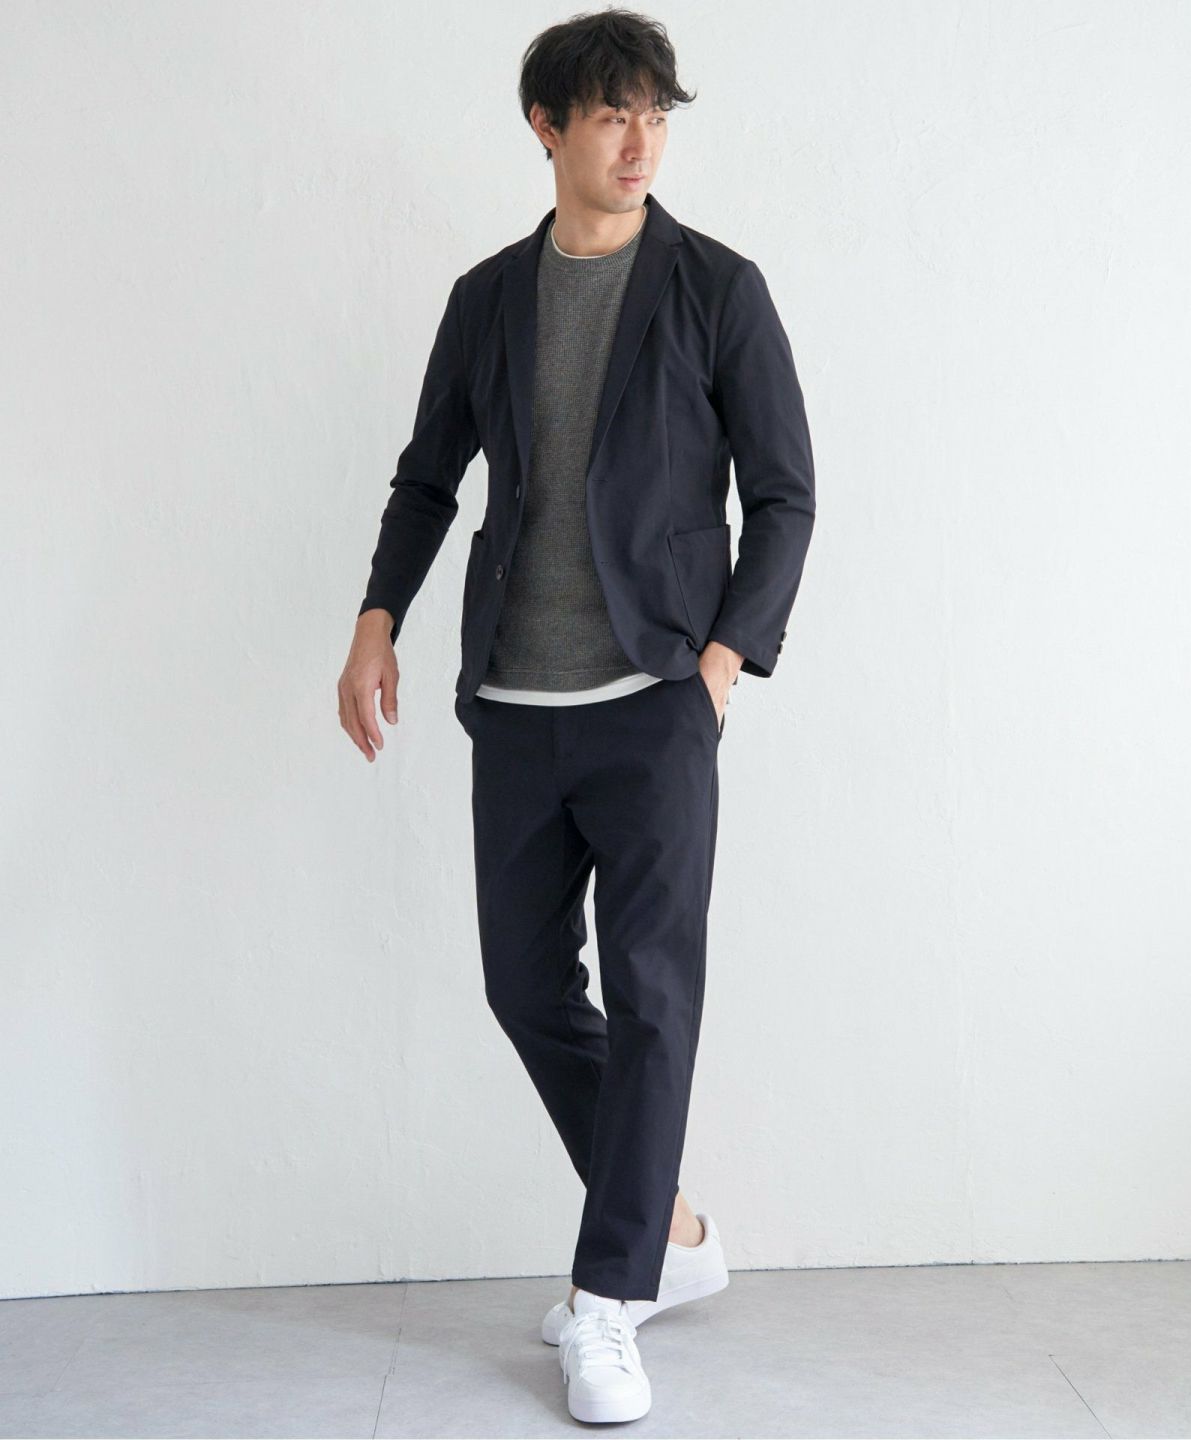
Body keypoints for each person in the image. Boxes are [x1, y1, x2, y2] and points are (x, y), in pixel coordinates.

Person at [338, 8, 816, 1424]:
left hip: (657, 703)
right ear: (547, 127)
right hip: (515, 705)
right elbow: (429, 475)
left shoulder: (717, 288)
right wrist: (377, 617)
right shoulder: (488, 297)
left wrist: (721, 665)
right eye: (612, 114)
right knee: (527, 989)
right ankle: (666, 1229)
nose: (640, 140)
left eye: (656, 114)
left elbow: (785, 495)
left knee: (656, 1002)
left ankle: (610, 1301)